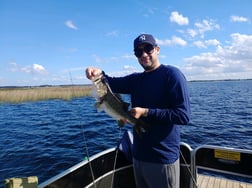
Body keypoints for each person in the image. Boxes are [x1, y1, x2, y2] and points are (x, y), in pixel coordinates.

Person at [85, 34, 190, 188]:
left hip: (162, 159)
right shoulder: (135, 80)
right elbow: (110, 82)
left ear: (157, 49)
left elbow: (183, 116)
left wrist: (146, 112)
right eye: (138, 52)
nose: (144, 54)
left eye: (148, 48)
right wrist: (98, 73)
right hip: (138, 156)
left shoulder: (172, 75)